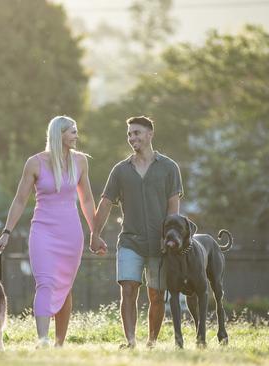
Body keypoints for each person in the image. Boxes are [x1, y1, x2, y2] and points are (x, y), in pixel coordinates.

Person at [0, 116, 96, 348]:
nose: (76, 136)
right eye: (72, 132)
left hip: (71, 234)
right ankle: (43, 340)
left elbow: (87, 200)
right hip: (43, 232)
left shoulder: (80, 162)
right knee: (45, 283)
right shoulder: (35, 163)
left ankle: (59, 344)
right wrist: (6, 232)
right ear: (59, 134)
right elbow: (20, 200)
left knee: (65, 287)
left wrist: (95, 232)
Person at [90, 116, 183, 349]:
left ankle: (151, 342)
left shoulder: (169, 167)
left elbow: (174, 207)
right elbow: (105, 203)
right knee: (128, 289)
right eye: (130, 134)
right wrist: (95, 233)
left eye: (137, 133)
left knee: (157, 295)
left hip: (160, 244)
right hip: (130, 241)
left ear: (150, 134)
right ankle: (130, 341)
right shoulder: (121, 170)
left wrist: (169, 238)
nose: (132, 138)